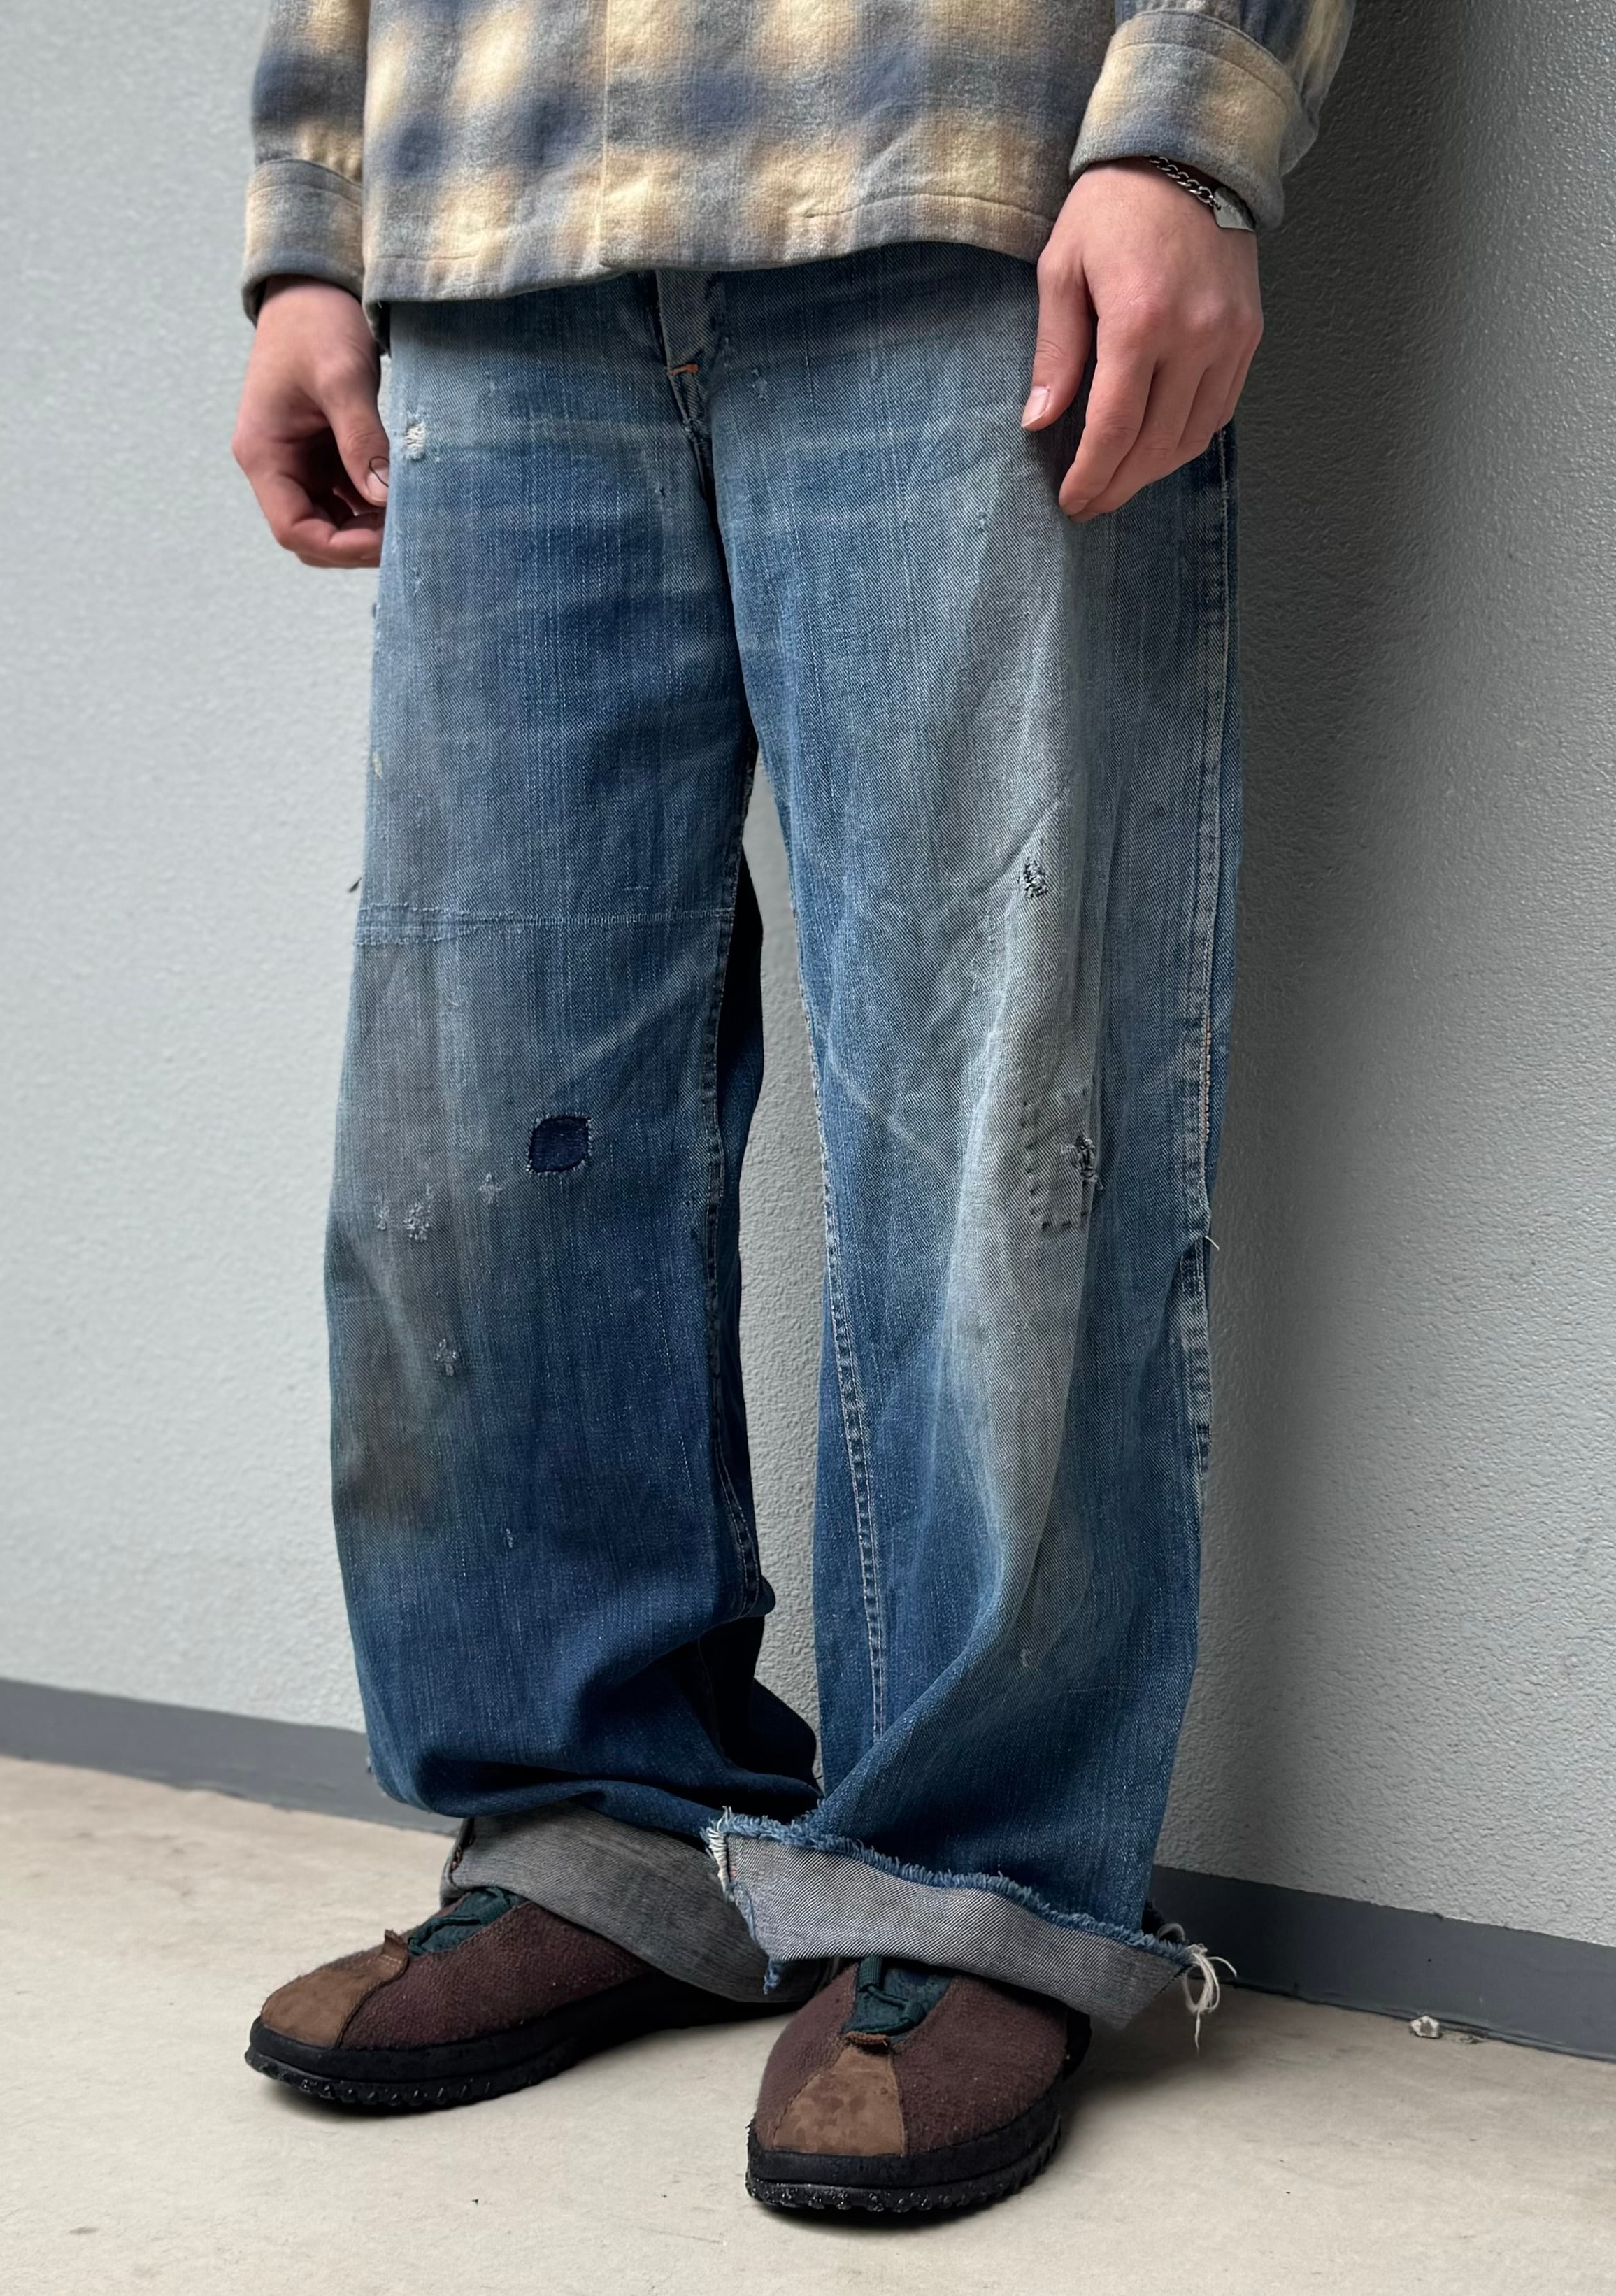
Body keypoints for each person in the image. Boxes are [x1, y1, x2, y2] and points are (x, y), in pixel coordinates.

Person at [230, 0, 1352, 2218]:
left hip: (961, 176)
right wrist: (309, 222)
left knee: (988, 1083)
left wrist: (1189, 132)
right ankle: (597, 1822)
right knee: (484, 1101)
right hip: (493, 225)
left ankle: (966, 1883)